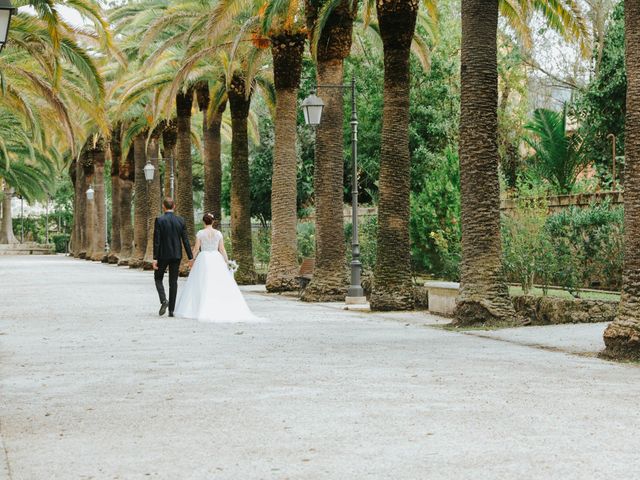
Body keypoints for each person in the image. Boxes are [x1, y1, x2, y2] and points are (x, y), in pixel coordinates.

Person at [174, 213, 261, 322]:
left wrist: (191, 259)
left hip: (204, 258)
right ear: (213, 221)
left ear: (204, 222)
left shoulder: (200, 233)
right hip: (216, 258)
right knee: (217, 281)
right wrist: (226, 261)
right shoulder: (218, 233)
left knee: (202, 282)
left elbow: (196, 248)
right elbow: (222, 249)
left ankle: (201, 307)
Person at [152, 198, 193, 317]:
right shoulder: (181, 220)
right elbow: (185, 240)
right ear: (174, 206)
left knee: (158, 278)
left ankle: (164, 300)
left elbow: (157, 240)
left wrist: (155, 258)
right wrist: (190, 257)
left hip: (163, 255)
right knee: (173, 282)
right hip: (176, 255)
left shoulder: (159, 220)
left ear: (163, 207)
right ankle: (171, 310)